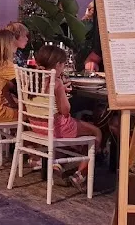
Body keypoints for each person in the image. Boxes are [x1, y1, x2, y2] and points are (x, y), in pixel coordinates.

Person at [29, 45, 103, 189]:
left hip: (37, 126)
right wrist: (62, 91)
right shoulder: (55, 82)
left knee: (74, 133)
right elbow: (65, 110)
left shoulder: (32, 77)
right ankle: (80, 174)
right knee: (96, 132)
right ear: (58, 65)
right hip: (56, 128)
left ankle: (57, 164)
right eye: (63, 65)